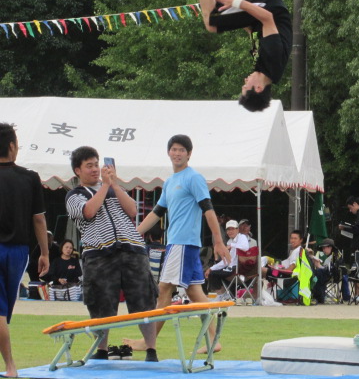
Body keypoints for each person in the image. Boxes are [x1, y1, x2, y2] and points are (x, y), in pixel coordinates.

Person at [126, 134, 230, 354]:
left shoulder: (194, 178)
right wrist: (134, 235)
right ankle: (214, 340)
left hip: (183, 244)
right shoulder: (170, 182)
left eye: (182, 150)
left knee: (164, 289)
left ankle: (148, 341)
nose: (177, 153)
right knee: (194, 293)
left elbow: (208, 209)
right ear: (168, 152)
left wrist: (218, 241)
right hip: (178, 244)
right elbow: (157, 213)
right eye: (174, 149)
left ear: (189, 154)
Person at [65, 146, 159, 362]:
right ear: (77, 170)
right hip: (99, 254)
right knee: (100, 302)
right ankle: (102, 349)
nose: (95, 169)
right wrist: (105, 186)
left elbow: (133, 210)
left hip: (132, 249)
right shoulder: (74, 195)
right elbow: (88, 211)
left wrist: (114, 184)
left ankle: (151, 349)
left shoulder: (114, 188)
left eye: (96, 165)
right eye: (89, 166)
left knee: (144, 299)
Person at [170, 0, 292, 112]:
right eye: (245, 85)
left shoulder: (263, 68)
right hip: (269, 5)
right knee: (211, 23)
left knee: (215, 14)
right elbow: (268, 19)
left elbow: (253, 32)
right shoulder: (273, 61)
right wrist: (236, 2)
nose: (245, 80)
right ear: (258, 88)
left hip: (257, 16)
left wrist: (230, 19)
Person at [0, 122, 49, 377]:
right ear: (11, 146)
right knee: (3, 311)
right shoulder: (29, 178)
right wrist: (45, 253)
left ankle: (10, 366)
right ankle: (10, 366)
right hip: (18, 252)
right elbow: (38, 219)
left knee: (0, 312)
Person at [205, 220, 249, 299]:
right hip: (231, 267)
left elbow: (245, 247)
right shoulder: (229, 242)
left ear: (237, 230)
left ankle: (220, 296)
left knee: (214, 274)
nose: (230, 231)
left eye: (232, 229)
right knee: (212, 273)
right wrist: (211, 268)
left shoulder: (242, 237)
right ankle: (222, 294)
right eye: (228, 229)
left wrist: (232, 245)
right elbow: (226, 261)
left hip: (240, 268)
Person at [339, 197, 359, 301]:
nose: (350, 210)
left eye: (350, 208)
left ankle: (358, 294)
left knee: (357, 270)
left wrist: (345, 228)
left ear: (355, 204)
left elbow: (357, 229)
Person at [307, 238, 343, 304]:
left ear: (330, 247)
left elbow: (331, 270)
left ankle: (317, 297)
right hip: (327, 274)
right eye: (322, 248)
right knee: (315, 272)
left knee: (317, 273)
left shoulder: (335, 255)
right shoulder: (330, 256)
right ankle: (316, 296)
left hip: (333, 275)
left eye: (324, 248)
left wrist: (319, 266)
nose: (323, 250)